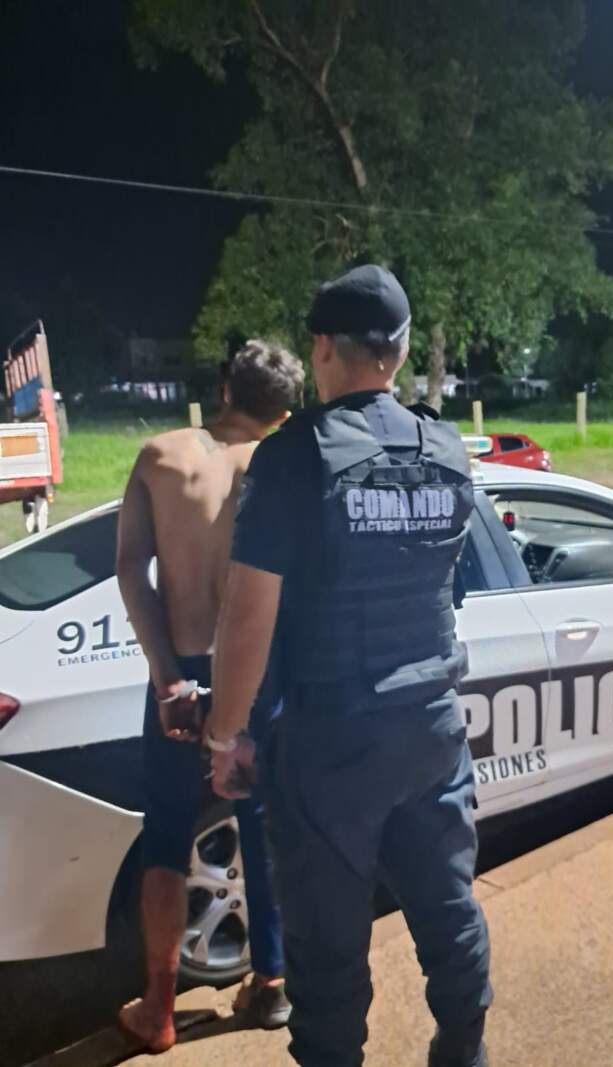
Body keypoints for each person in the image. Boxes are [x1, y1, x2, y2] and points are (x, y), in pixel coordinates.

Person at [205, 265, 492, 1067]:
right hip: (432, 728)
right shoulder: (447, 447)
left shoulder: (294, 457)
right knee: (448, 909)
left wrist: (227, 735)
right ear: (397, 353)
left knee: (328, 954)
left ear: (324, 347)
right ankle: (463, 1049)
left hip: (332, 740)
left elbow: (248, 615)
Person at [116, 339, 305, 1053]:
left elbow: (131, 570)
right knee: (262, 824)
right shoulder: (284, 467)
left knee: (165, 836)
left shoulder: (160, 456)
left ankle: (159, 1007)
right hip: (255, 669)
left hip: (180, 664)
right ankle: (271, 984)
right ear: (284, 410)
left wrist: (167, 673)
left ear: (224, 386)